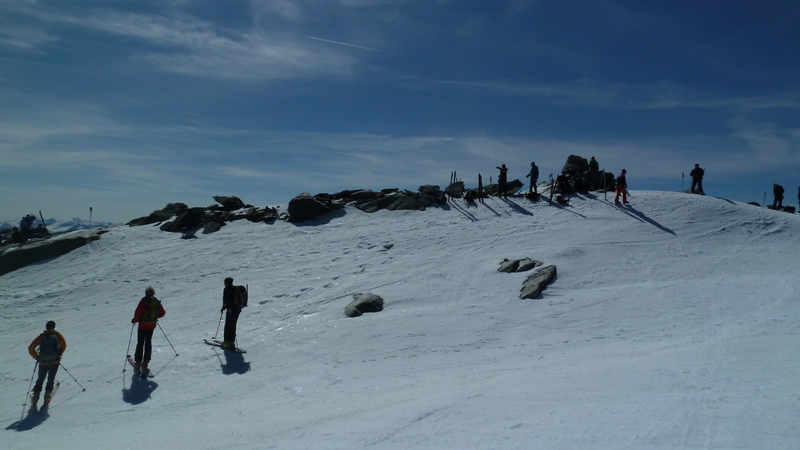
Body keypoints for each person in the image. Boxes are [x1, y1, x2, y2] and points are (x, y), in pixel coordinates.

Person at [28, 320, 67, 408]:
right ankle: (47, 396)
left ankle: (36, 397)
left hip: (43, 362)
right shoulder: (58, 336)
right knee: (51, 378)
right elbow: (64, 345)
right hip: (55, 362)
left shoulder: (41, 337)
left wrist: (37, 357)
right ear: (54, 327)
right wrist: (59, 354)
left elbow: (31, 347)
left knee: (40, 379)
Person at [131, 286, 165, 377]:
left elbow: (137, 314)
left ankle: (138, 363)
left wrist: (134, 320)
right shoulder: (156, 302)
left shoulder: (143, 302)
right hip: (152, 325)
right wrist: (154, 317)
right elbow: (162, 313)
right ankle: (146, 362)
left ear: (146, 293)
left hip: (142, 326)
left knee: (140, 343)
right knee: (148, 342)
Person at [220, 277, 244, 349]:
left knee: (228, 326)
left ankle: (227, 342)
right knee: (233, 325)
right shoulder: (236, 289)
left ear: (226, 282)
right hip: (238, 309)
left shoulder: (227, 289)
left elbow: (226, 300)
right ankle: (231, 342)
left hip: (231, 310)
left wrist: (223, 308)